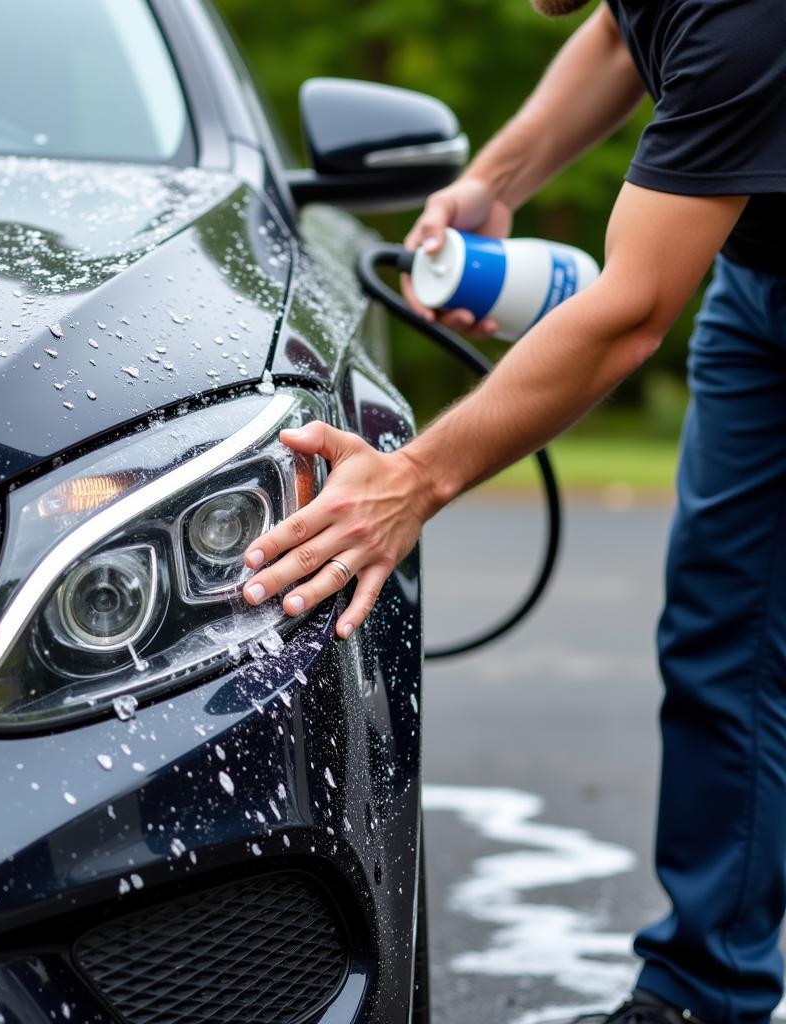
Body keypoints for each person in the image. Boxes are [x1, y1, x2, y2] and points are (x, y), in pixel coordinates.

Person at [240, 0, 786, 1021]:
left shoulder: (744, 14)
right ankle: (704, 995)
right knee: (725, 634)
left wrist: (416, 477)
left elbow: (628, 313)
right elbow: (623, 36)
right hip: (762, 291)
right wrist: (492, 183)